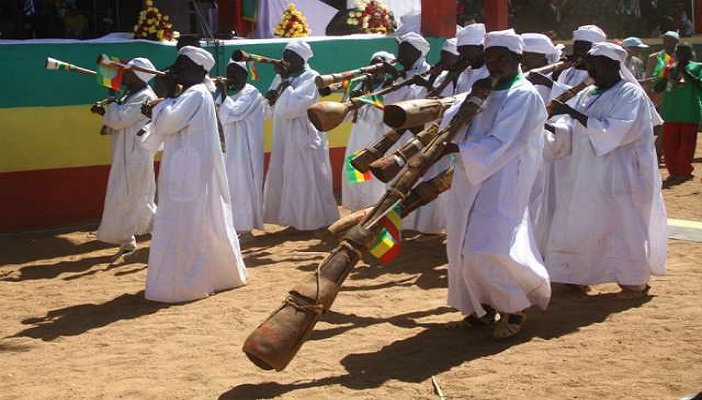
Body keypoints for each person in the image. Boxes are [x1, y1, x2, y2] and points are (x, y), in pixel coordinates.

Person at [443, 29, 550, 339]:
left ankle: (514, 306)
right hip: (470, 174)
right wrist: (470, 100)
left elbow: (505, 140)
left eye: (502, 58)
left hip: (504, 178)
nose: (494, 64)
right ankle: (483, 306)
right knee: (462, 245)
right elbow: (451, 123)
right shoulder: (482, 88)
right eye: (490, 58)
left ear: (517, 59)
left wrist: (461, 149)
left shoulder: (524, 94)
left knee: (489, 247)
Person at [544, 42, 667, 297]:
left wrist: (571, 113)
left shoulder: (630, 93)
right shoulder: (587, 93)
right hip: (585, 172)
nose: (592, 70)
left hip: (620, 172)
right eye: (590, 65)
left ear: (614, 66)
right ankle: (576, 274)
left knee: (623, 224)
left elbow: (616, 130)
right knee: (582, 222)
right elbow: (570, 128)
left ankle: (632, 278)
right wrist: (550, 126)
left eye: (597, 65)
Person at [140, 46, 247, 303]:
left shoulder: (196, 94)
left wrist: (165, 96)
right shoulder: (192, 94)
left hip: (189, 173)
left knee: (186, 223)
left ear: (199, 71)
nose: (175, 70)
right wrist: (161, 106)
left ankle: (185, 284)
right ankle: (212, 275)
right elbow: (168, 120)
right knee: (197, 222)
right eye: (176, 64)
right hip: (187, 169)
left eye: (182, 66)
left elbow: (167, 123)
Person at [262, 39, 339, 231]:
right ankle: (294, 219)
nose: (285, 60)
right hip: (284, 134)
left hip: (303, 134)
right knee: (289, 174)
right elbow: (271, 108)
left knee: (305, 176)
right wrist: (272, 94)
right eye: (284, 56)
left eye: (290, 56)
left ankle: (312, 220)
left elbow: (291, 108)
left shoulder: (312, 77)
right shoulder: (282, 77)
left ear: (302, 59)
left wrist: (284, 82)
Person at [90, 58, 158, 259]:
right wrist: (104, 112)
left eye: (128, 72)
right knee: (124, 196)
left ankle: (163, 234)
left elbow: (120, 119)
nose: (124, 75)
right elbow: (120, 120)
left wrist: (111, 99)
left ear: (139, 75)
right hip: (126, 155)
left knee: (140, 197)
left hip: (137, 155)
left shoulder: (145, 96)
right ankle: (127, 240)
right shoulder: (131, 95)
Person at [215, 59, 268, 238]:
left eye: (235, 73)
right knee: (227, 186)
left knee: (242, 184)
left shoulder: (251, 93)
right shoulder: (225, 95)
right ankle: (229, 227)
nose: (231, 77)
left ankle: (244, 228)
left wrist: (223, 94)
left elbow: (234, 113)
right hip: (226, 147)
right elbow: (219, 115)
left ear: (245, 75)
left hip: (243, 149)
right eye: (229, 73)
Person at [341, 51, 396, 211]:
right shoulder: (362, 85)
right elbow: (346, 116)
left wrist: (367, 96)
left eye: (378, 65)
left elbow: (378, 116)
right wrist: (351, 100)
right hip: (358, 137)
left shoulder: (389, 86)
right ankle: (357, 209)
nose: (374, 68)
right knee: (356, 175)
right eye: (372, 64)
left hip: (376, 138)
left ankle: (372, 210)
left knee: (372, 179)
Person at [653, 42, 702, 187]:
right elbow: (658, 88)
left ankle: (684, 172)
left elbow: (699, 85)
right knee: (669, 146)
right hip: (670, 113)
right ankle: (673, 172)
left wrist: (684, 71)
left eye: (685, 52)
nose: (682, 55)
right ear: (675, 53)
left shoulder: (698, 67)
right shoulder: (668, 67)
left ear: (691, 53)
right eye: (679, 52)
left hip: (689, 112)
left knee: (686, 145)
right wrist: (665, 74)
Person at [645, 31, 679, 164]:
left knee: (671, 124)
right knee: (662, 124)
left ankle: (665, 152)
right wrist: (649, 94)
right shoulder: (655, 57)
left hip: (676, 95)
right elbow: (649, 78)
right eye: (666, 40)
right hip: (659, 95)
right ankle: (657, 152)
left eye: (671, 40)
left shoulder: (681, 57)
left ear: (677, 42)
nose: (668, 43)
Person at [550, 25, 607, 99]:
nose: (578, 52)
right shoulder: (567, 70)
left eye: (584, 48)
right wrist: (557, 71)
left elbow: (582, 97)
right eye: (577, 47)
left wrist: (549, 83)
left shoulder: (601, 75)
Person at [454, 23, 489, 94]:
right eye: (460, 52)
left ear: (480, 48)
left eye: (466, 52)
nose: (462, 56)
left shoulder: (490, 72)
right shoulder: (463, 73)